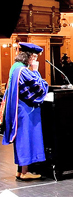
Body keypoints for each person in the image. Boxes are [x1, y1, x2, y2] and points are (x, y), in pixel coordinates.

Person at [2, 43, 49, 180]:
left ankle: (20, 170)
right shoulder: (24, 71)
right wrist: (36, 71)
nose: (35, 60)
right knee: (26, 137)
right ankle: (24, 172)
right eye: (34, 57)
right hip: (26, 110)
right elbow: (39, 88)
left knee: (22, 137)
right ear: (28, 56)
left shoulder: (15, 68)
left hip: (18, 109)